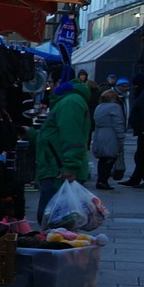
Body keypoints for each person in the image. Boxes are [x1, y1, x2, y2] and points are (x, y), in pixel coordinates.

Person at [33, 77, 90, 222]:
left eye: (51, 82)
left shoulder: (70, 102)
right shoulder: (66, 101)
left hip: (58, 170)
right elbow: (53, 136)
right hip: (55, 167)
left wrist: (70, 167)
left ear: (60, 82)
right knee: (53, 219)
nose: (49, 86)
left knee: (53, 220)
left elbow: (72, 137)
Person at [91, 89, 126, 190]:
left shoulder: (99, 107)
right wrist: (121, 138)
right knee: (110, 158)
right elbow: (118, 123)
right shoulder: (115, 107)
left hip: (99, 134)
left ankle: (101, 180)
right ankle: (103, 181)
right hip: (111, 135)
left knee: (102, 159)